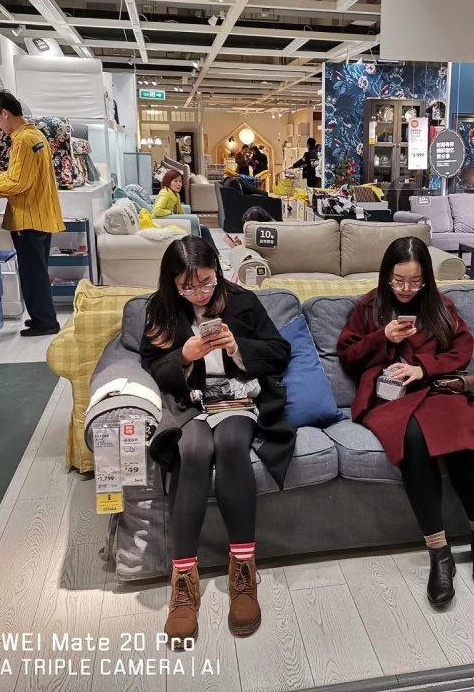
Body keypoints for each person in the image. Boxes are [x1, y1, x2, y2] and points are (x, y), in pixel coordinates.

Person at [141, 236, 294, 642]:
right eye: (187, 286)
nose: (199, 292)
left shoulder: (241, 301)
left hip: (237, 397)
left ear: (218, 273)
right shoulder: (161, 308)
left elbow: (279, 351)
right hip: (189, 402)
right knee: (192, 449)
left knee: (230, 445)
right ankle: (183, 579)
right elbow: (149, 363)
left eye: (206, 282)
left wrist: (238, 348)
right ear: (173, 282)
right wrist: (184, 356)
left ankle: (243, 569)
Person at [336, 237, 474, 608]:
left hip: (435, 389)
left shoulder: (440, 306)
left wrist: (423, 368)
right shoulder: (370, 307)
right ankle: (439, 552)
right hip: (389, 397)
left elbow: (462, 350)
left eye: (415, 281)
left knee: (463, 435)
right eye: (398, 281)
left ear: (426, 277)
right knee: (411, 438)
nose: (406, 289)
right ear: (386, 275)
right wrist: (381, 337)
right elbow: (348, 355)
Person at [0, 90, 64, 337]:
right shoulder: (35, 135)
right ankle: (43, 317)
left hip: (28, 217)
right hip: (41, 215)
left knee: (33, 273)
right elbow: (16, 175)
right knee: (37, 271)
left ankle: (45, 321)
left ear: (5, 113)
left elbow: (18, 182)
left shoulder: (22, 140)